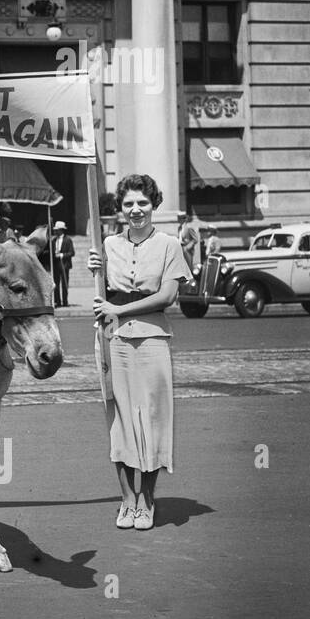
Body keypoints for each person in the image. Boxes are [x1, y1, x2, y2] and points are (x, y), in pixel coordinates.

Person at [87, 173, 191, 532]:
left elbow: (167, 296)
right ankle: (126, 499)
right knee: (119, 421)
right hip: (113, 340)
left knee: (152, 421)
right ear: (121, 208)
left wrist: (121, 310)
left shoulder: (169, 245)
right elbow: (104, 297)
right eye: (129, 203)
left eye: (143, 203)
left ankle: (147, 499)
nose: (136, 210)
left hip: (152, 340)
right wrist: (96, 274)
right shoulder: (108, 245)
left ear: (154, 205)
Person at [51, 219, 74, 307]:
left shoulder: (68, 240)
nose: (55, 231)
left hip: (64, 265)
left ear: (61, 230)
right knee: (56, 284)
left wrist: (61, 255)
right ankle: (58, 301)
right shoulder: (53, 240)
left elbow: (72, 252)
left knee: (64, 284)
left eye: (57, 230)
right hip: (56, 265)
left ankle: (65, 301)